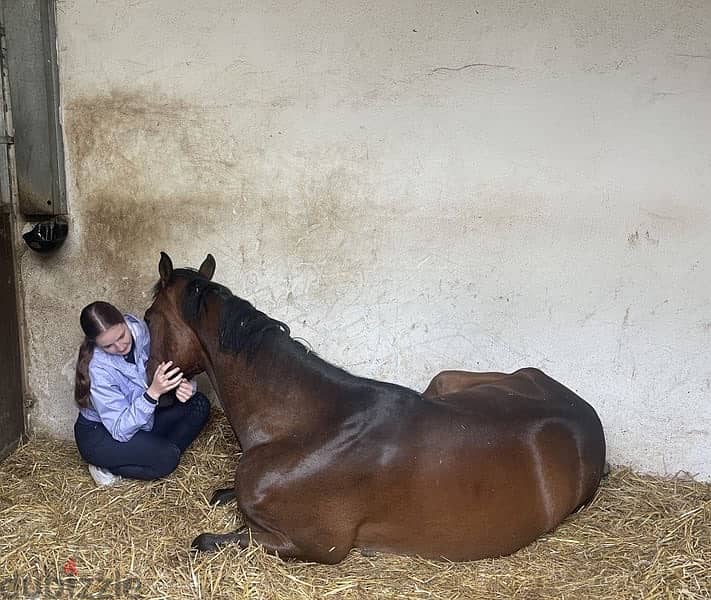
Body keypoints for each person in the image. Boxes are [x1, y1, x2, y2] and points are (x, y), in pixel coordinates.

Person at [73, 301, 210, 485]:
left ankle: (145, 453)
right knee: (168, 459)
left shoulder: (139, 329)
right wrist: (153, 393)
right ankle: (107, 464)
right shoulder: (97, 368)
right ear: (95, 344)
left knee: (199, 404)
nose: (120, 347)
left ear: (124, 322)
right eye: (108, 346)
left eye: (122, 336)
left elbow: (156, 368)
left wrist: (181, 385)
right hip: (102, 433)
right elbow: (120, 430)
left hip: (141, 419)